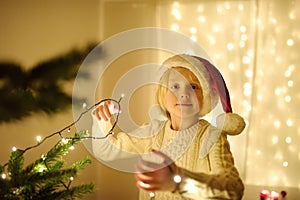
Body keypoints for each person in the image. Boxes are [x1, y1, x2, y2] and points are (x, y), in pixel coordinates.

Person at [91, 54, 246, 199]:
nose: (184, 93)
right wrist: (102, 119)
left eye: (193, 87)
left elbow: (233, 189)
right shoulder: (154, 132)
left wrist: (179, 182)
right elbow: (106, 150)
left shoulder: (211, 136)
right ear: (163, 93)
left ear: (205, 96)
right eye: (175, 86)